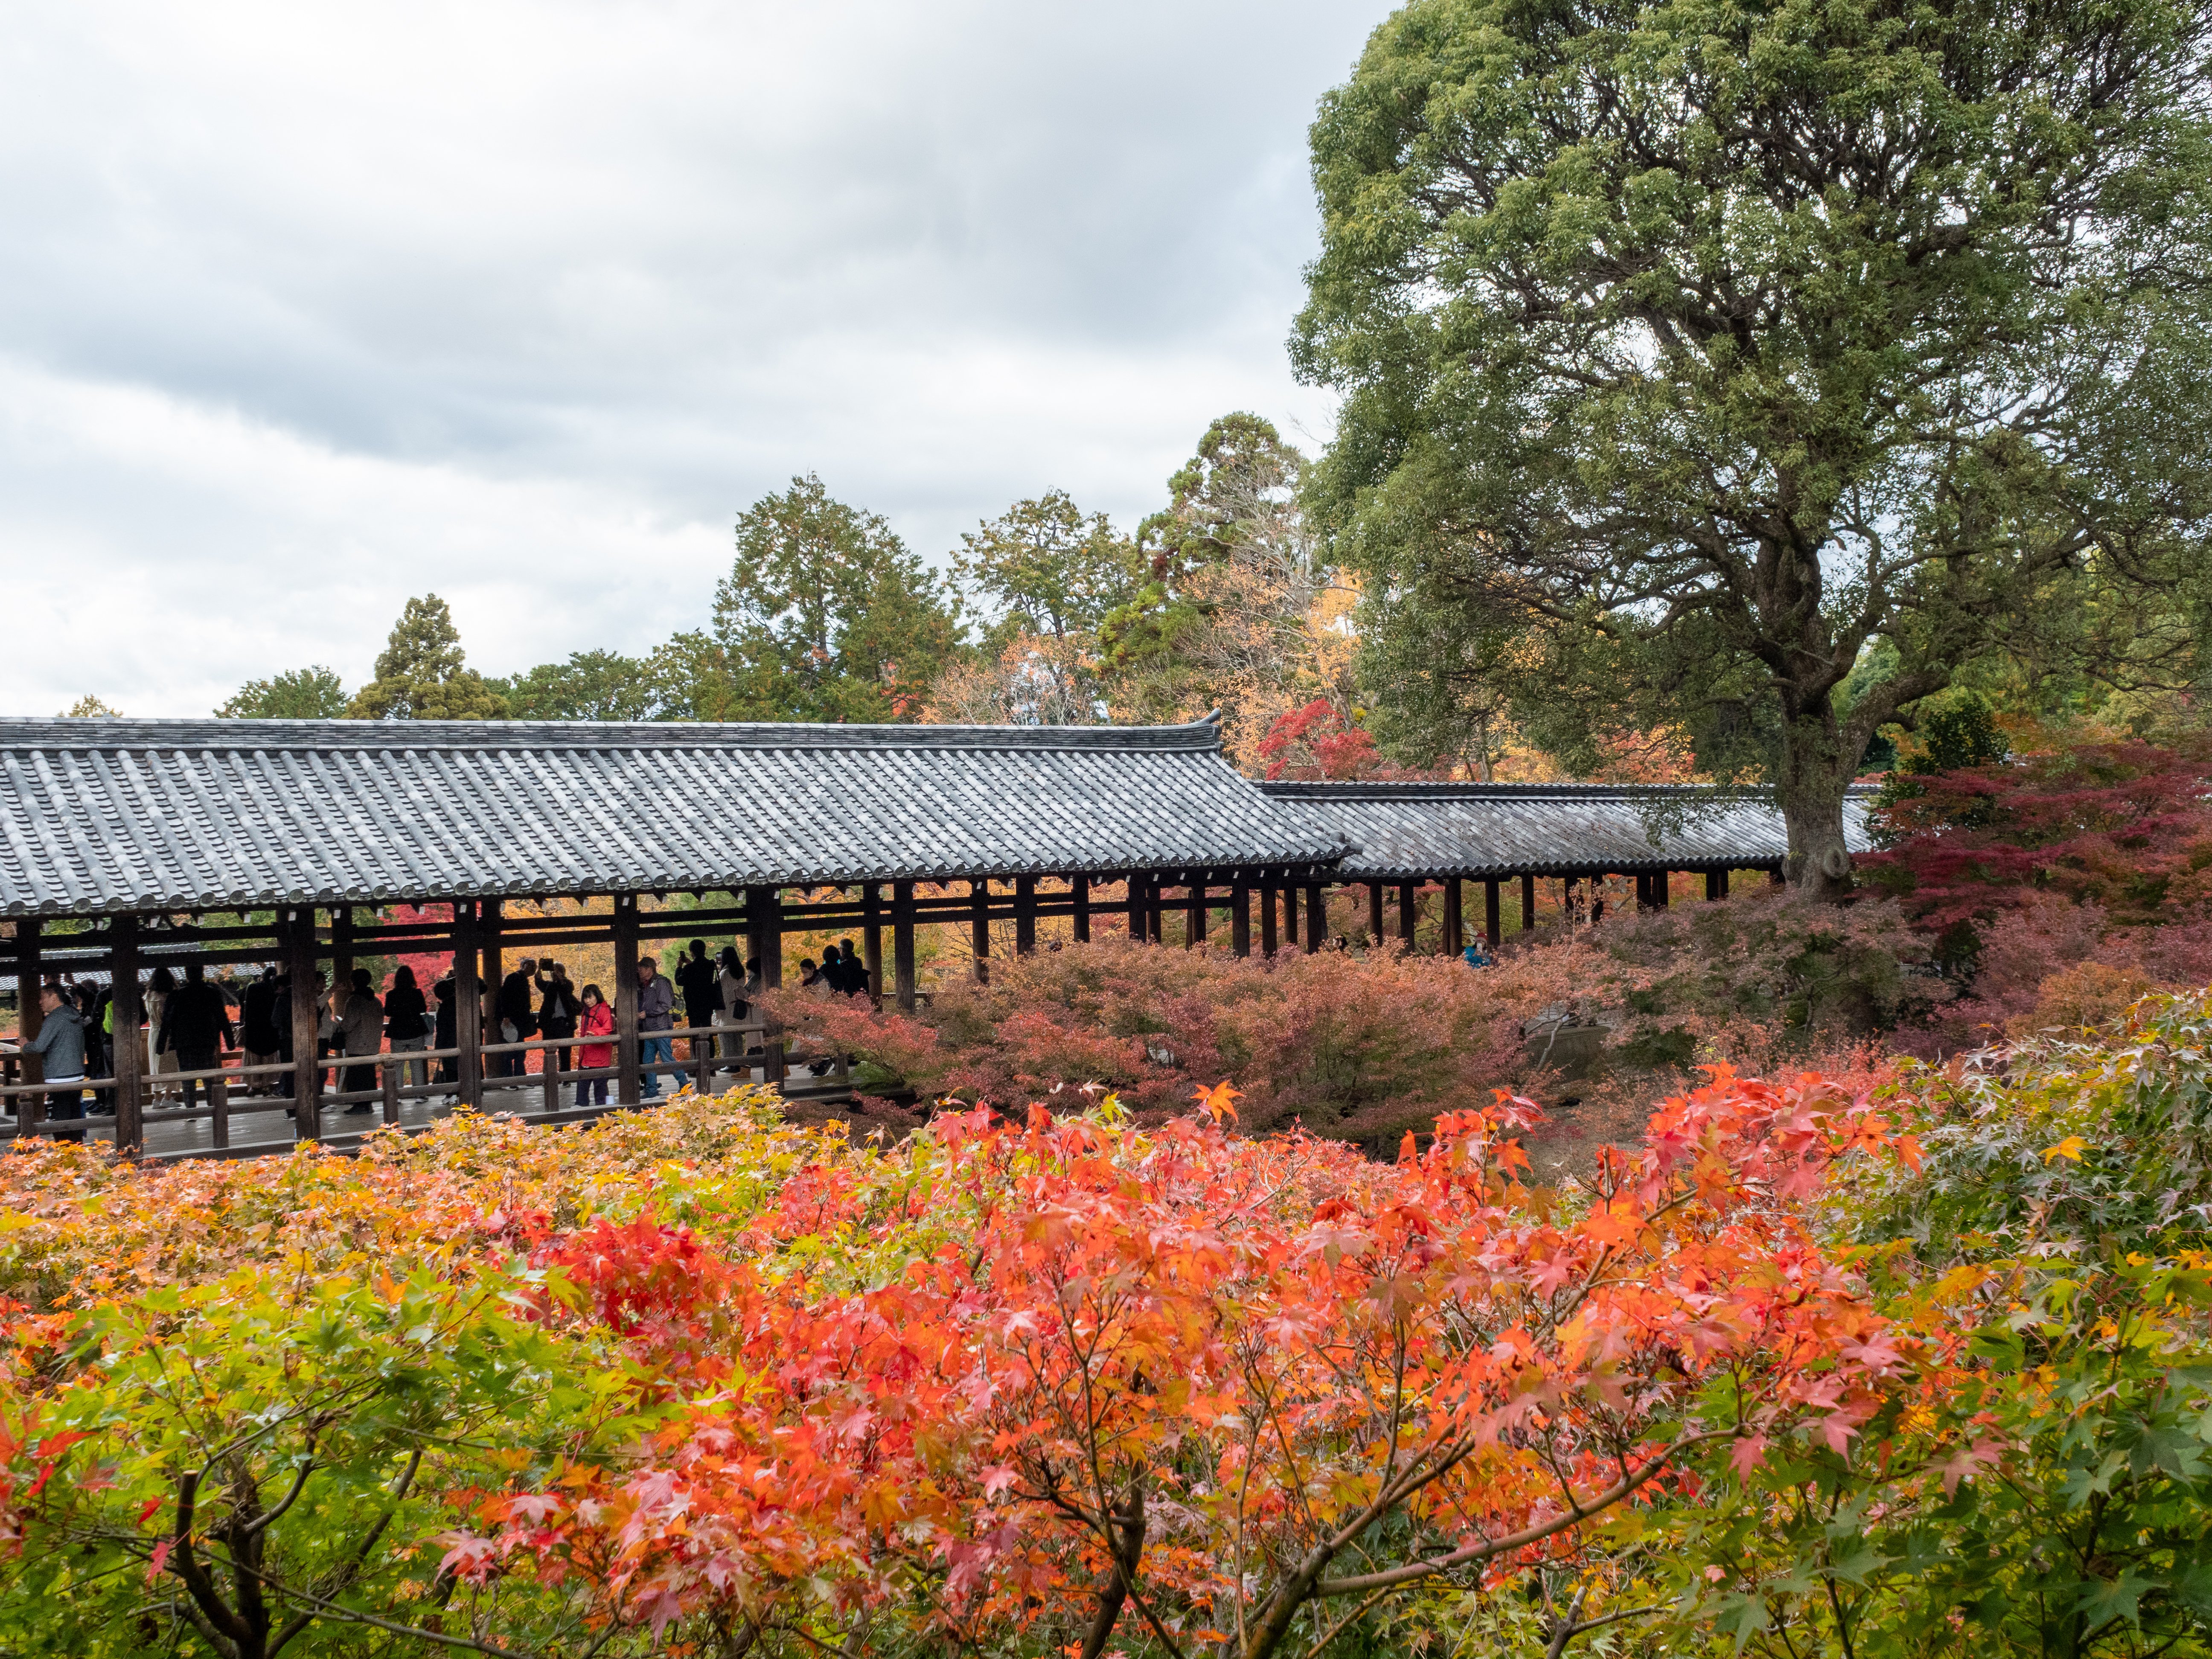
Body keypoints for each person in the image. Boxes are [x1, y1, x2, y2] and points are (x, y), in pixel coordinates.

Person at [157, 963, 235, 1115]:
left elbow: (167, 1020)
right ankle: (213, 1109)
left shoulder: (178, 995)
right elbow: (222, 1017)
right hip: (207, 1039)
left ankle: (191, 1111)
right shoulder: (211, 993)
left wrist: (161, 1045)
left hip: (184, 1041)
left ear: (187, 975)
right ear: (202, 974)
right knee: (209, 1076)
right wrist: (230, 1040)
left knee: (187, 1077)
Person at [25, 983, 88, 1141]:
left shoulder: (54, 1018)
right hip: (77, 1075)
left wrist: (26, 1046)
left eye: (42, 997)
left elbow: (40, 1046)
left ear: (54, 996)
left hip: (59, 1077)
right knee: (74, 1117)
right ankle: (78, 1154)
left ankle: (64, 1156)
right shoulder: (74, 1014)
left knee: (59, 1120)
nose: (40, 1001)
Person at [337, 968, 382, 1111]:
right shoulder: (376, 1000)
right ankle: (368, 1104)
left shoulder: (355, 1000)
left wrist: (340, 1025)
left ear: (354, 982)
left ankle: (360, 1104)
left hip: (357, 1043)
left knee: (357, 1075)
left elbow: (348, 1024)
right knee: (368, 1074)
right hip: (373, 1042)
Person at [384, 966, 431, 1091]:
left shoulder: (391, 994)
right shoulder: (417, 993)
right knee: (417, 1064)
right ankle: (419, 1094)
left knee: (397, 1064)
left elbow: (388, 1012)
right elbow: (423, 1009)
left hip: (397, 1032)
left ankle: (397, 1094)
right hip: (416, 1030)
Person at [636, 955, 675, 1098]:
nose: (639, 972)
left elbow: (665, 1004)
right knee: (647, 1061)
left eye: (641, 969)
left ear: (649, 969)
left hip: (661, 1027)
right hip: (650, 1029)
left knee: (667, 1059)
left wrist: (648, 1014)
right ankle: (651, 1090)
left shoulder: (660, 983)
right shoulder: (646, 985)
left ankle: (685, 1085)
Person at [240, 966, 282, 1094]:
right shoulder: (275, 991)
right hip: (270, 1031)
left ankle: (254, 1086)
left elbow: (245, 1008)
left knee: (254, 1059)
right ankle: (266, 1085)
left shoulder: (252, 988)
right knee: (268, 1059)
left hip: (254, 1029)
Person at [676, 940, 719, 1065]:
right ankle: (711, 1064)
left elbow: (680, 981)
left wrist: (679, 967)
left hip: (694, 1005)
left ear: (692, 952)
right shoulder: (710, 965)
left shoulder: (690, 968)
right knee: (708, 1033)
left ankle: (698, 1065)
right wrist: (690, 963)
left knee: (695, 1034)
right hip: (707, 1004)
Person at [573, 984, 615, 1108]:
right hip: (586, 1052)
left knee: (600, 1084)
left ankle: (602, 1109)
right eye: (585, 998)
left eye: (590, 997)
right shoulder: (585, 1012)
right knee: (583, 1081)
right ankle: (581, 1104)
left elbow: (608, 1029)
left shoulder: (604, 1010)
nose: (588, 1001)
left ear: (597, 996)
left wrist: (595, 1034)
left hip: (600, 1054)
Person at [536, 960, 577, 1085]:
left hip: (565, 1023)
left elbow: (568, 988)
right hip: (550, 1024)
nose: (555, 973)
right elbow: (539, 982)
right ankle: (549, 1078)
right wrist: (540, 968)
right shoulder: (549, 986)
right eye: (554, 971)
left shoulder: (567, 984)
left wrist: (560, 976)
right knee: (549, 1052)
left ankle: (565, 1079)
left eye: (558, 971)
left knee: (565, 1052)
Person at [496, 958, 537, 1079]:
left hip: (520, 1019)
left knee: (520, 1050)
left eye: (535, 967)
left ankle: (520, 1077)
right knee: (510, 1049)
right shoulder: (513, 977)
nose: (533, 969)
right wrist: (506, 1016)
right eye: (531, 966)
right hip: (512, 1020)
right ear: (524, 966)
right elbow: (505, 997)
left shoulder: (522, 979)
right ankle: (508, 1078)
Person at [143, 965, 179, 1100]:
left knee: (155, 1066)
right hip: (167, 1033)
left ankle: (157, 1099)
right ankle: (168, 1098)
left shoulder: (148, 995)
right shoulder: (168, 996)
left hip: (153, 1032)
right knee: (171, 1065)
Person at [715, 946, 748, 1061]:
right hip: (738, 1008)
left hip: (726, 1008)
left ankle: (730, 1062)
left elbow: (720, 992)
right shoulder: (740, 971)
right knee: (737, 1038)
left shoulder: (724, 973)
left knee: (726, 1038)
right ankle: (739, 1061)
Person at [433, 976, 459, 1097]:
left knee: (450, 1068)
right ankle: (461, 1093)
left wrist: (438, 1046)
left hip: (448, 1041)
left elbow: (441, 1029)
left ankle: (451, 1094)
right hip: (462, 1040)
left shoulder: (444, 1007)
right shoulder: (459, 1002)